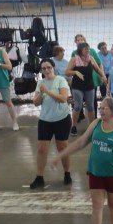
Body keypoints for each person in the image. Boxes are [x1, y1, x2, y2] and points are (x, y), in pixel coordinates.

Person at [53, 97, 113, 224]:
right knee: (96, 205)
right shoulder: (96, 124)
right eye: (100, 108)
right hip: (95, 171)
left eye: (105, 108)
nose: (101, 110)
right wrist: (60, 155)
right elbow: (81, 142)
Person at [30, 58, 72, 189]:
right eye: (44, 68)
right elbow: (35, 103)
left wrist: (47, 91)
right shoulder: (40, 83)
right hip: (45, 120)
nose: (46, 70)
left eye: (49, 67)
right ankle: (39, 177)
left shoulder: (60, 80)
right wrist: (41, 93)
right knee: (41, 149)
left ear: (53, 68)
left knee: (62, 148)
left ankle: (67, 173)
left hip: (62, 119)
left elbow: (63, 98)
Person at [66, 42, 104, 136]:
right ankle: (73, 126)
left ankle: (92, 127)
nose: (88, 51)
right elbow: (67, 72)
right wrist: (75, 72)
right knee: (78, 106)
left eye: (89, 49)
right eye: (85, 49)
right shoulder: (74, 59)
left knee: (91, 106)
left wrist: (103, 76)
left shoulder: (90, 58)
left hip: (89, 86)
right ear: (80, 50)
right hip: (77, 86)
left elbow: (97, 69)